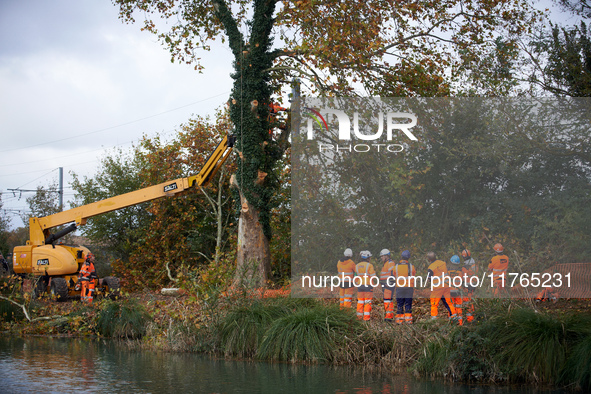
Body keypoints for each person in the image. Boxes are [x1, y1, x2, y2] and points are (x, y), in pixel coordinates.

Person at [426, 252, 457, 321]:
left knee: (434, 303)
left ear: (428, 259)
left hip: (437, 288)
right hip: (446, 285)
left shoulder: (430, 268)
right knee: (449, 301)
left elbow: (429, 279)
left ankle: (434, 318)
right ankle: (454, 316)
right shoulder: (443, 263)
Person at [394, 250, 416, 324]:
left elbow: (393, 275)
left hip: (399, 288)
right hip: (408, 288)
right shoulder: (411, 266)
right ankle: (408, 320)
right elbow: (413, 274)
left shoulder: (396, 266)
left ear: (401, 257)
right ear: (408, 258)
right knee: (408, 303)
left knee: (400, 304)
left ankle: (399, 321)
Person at [356, 251, 377, 321]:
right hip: (368, 285)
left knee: (360, 301)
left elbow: (355, 276)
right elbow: (373, 276)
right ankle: (366, 318)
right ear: (367, 258)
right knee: (367, 302)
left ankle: (359, 317)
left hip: (360, 285)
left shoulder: (357, 265)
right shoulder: (369, 265)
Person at [378, 249, 396, 322]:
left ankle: (389, 317)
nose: (381, 258)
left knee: (388, 300)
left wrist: (389, 283)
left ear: (386, 256)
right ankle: (388, 315)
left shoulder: (390, 263)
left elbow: (392, 274)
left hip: (388, 285)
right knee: (387, 300)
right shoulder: (386, 263)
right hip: (385, 285)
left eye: (382, 256)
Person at [447, 255, 464, 325]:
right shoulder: (460, 273)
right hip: (458, 292)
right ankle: (460, 323)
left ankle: (452, 321)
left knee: (451, 306)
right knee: (459, 307)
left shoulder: (447, 272)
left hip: (450, 292)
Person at [460, 249, 476, 322]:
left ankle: (470, 319)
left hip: (467, 286)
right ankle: (471, 317)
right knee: (471, 301)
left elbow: (462, 277)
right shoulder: (474, 265)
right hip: (473, 284)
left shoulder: (465, 267)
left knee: (467, 302)